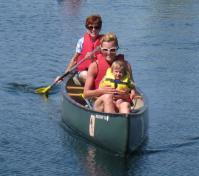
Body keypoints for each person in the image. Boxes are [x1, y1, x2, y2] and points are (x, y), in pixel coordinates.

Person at [83, 32, 135, 114]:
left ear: (117, 48)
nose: (109, 53)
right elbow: (85, 94)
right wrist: (101, 91)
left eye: (112, 50)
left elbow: (132, 89)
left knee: (125, 105)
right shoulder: (94, 66)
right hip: (100, 102)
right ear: (100, 49)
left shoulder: (126, 65)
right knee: (108, 97)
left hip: (120, 101)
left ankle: (124, 122)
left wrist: (127, 95)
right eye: (105, 50)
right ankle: (112, 121)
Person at [55, 14, 103, 84]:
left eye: (96, 27)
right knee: (86, 75)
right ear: (87, 28)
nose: (93, 30)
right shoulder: (81, 41)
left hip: (98, 71)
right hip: (83, 72)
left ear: (100, 28)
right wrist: (63, 76)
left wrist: (95, 58)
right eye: (90, 27)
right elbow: (74, 60)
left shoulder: (104, 42)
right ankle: (91, 91)